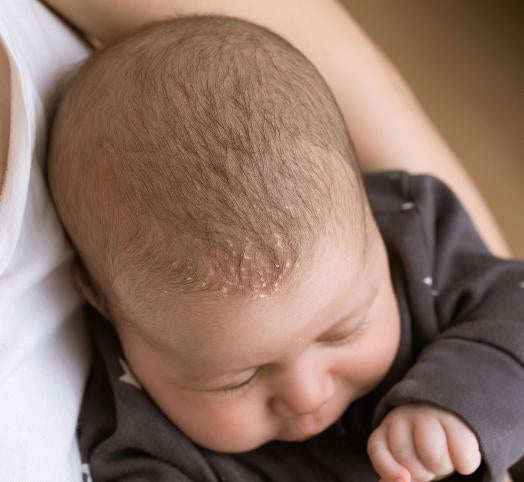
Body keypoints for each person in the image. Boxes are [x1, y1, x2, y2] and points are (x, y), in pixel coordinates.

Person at [0, 0, 515, 480]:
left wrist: (457, 400)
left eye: (343, 331)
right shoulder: (144, 445)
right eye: (237, 380)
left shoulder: (411, 233)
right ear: (108, 305)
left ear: (368, 213)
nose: (308, 394)